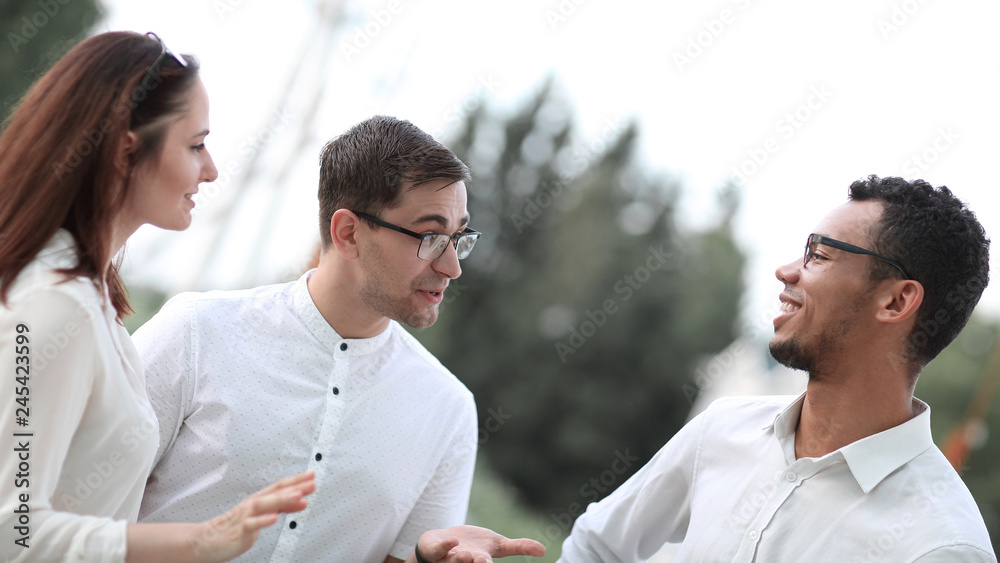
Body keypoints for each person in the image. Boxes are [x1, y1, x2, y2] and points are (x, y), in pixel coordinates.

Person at [133, 115, 543, 563]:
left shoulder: (448, 410)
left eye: (457, 237)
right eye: (429, 236)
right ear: (348, 233)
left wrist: (424, 561)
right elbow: (76, 511)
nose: (452, 267)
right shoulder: (196, 333)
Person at [559, 176, 997, 562]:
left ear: (896, 301)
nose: (786, 271)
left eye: (819, 255)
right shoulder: (720, 431)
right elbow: (596, 549)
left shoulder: (943, 547)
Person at [0, 31, 316, 563]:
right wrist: (198, 540)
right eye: (195, 145)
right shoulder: (53, 305)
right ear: (127, 151)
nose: (212, 169)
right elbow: (12, 530)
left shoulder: (93, 303)